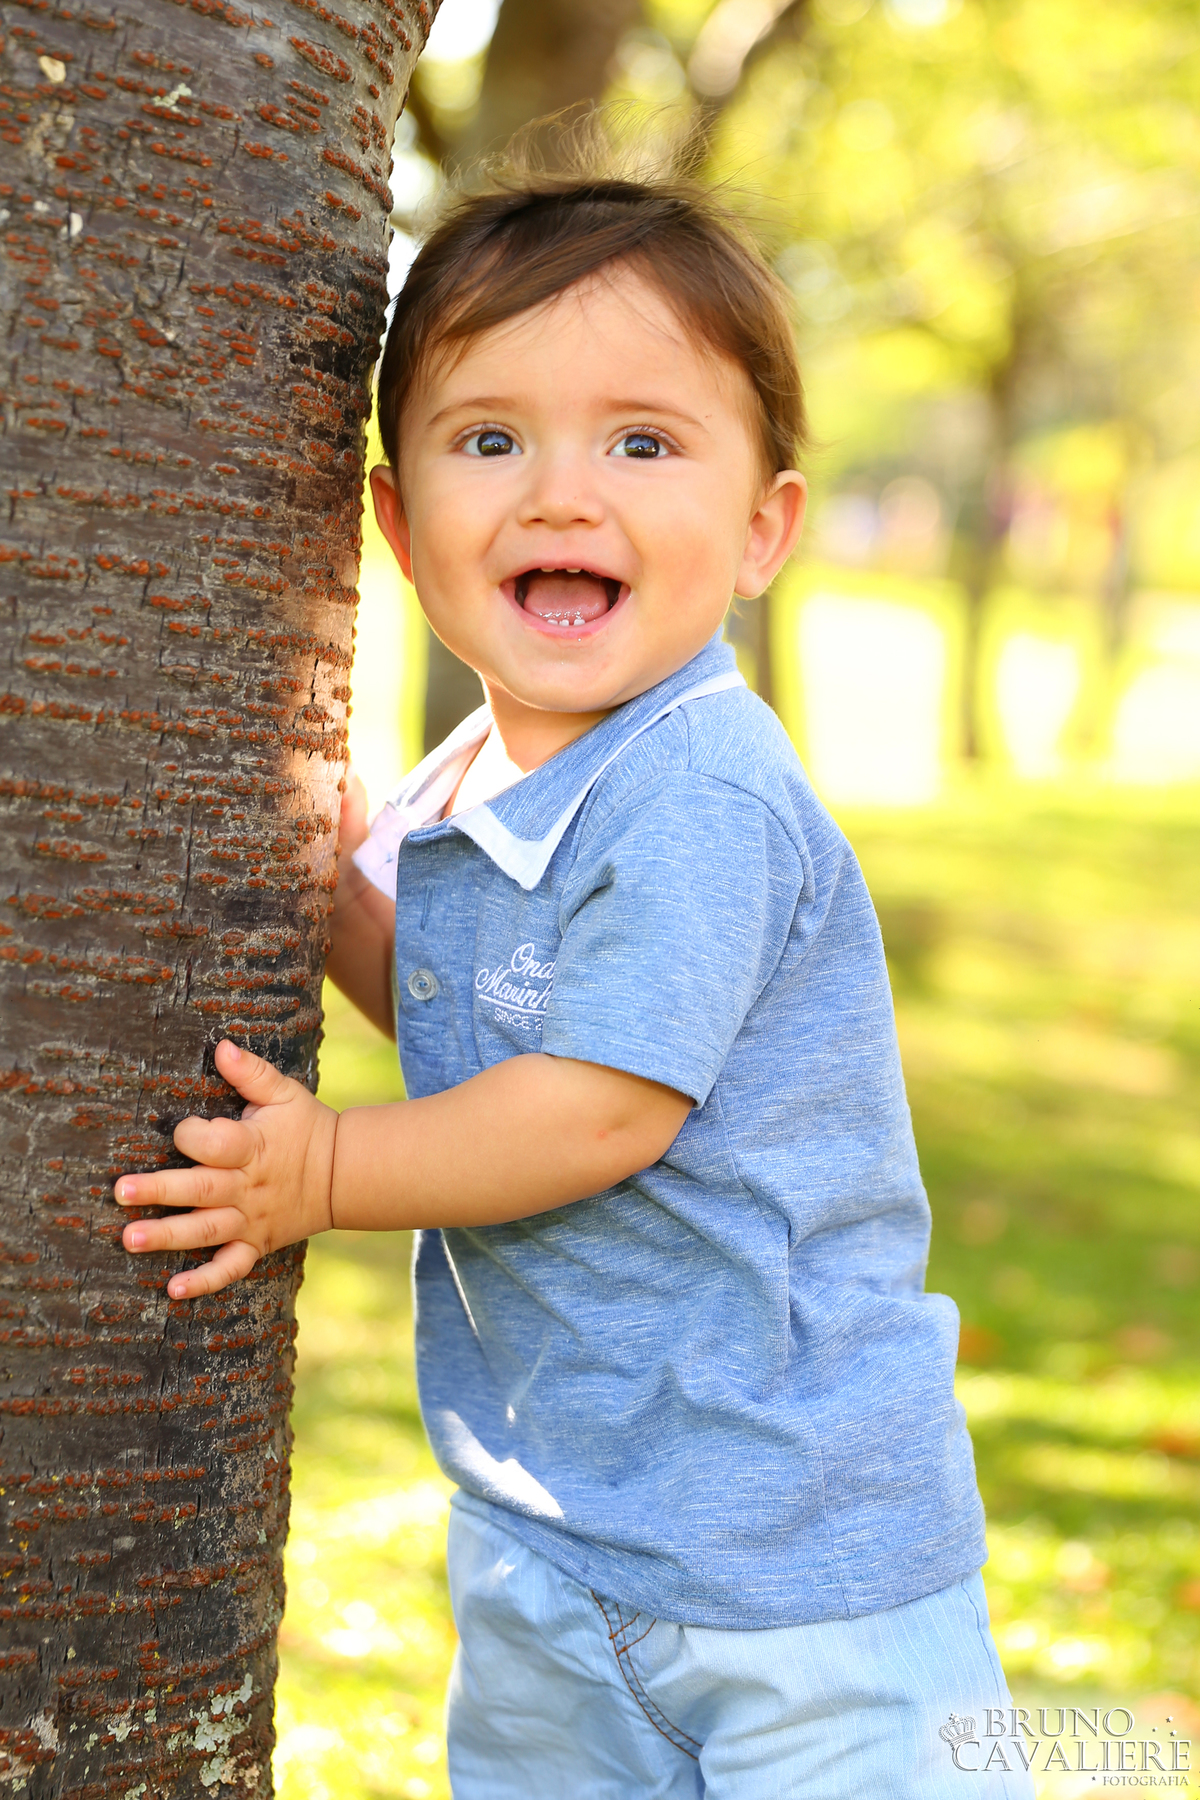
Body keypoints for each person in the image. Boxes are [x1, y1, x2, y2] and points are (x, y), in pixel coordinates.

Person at [116, 151, 1032, 1798]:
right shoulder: (476, 776)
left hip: (797, 1573)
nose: (559, 494)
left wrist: (321, 1167)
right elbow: (493, 1030)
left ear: (763, 530)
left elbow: (595, 1106)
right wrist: (343, 905)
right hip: (558, 1539)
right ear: (397, 523)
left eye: (642, 440)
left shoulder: (701, 792)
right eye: (490, 439)